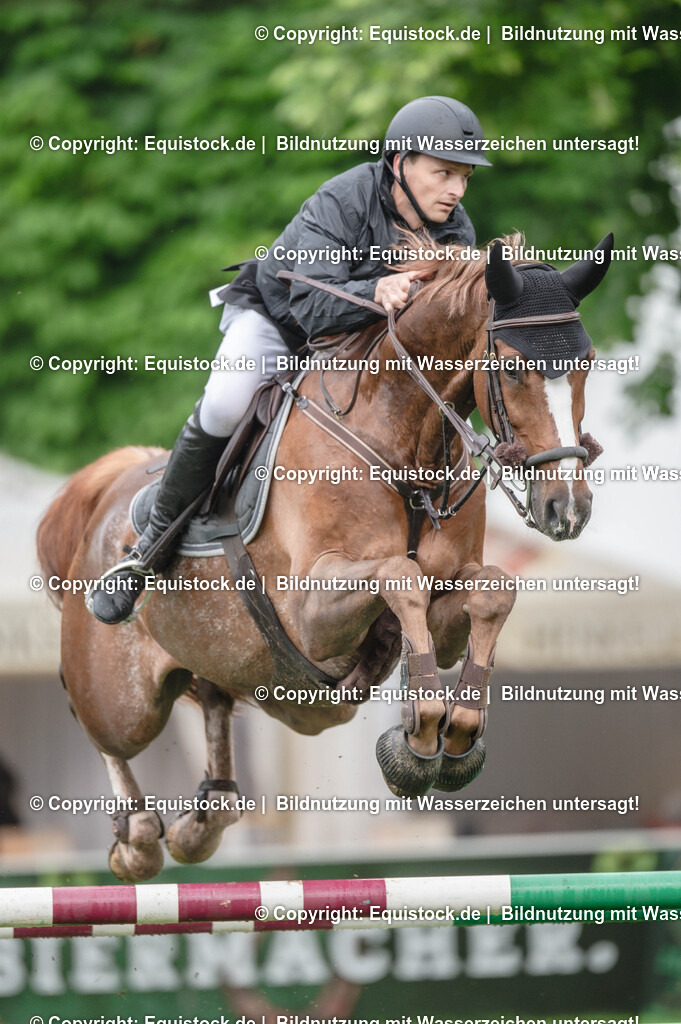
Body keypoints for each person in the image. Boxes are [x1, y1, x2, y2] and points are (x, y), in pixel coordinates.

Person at [89, 96, 492, 624]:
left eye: (463, 177)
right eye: (443, 174)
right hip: (281, 322)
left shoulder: (456, 230)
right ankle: (146, 553)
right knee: (227, 403)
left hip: (357, 347)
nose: (456, 191)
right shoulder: (342, 200)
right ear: (400, 162)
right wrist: (377, 290)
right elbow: (310, 303)